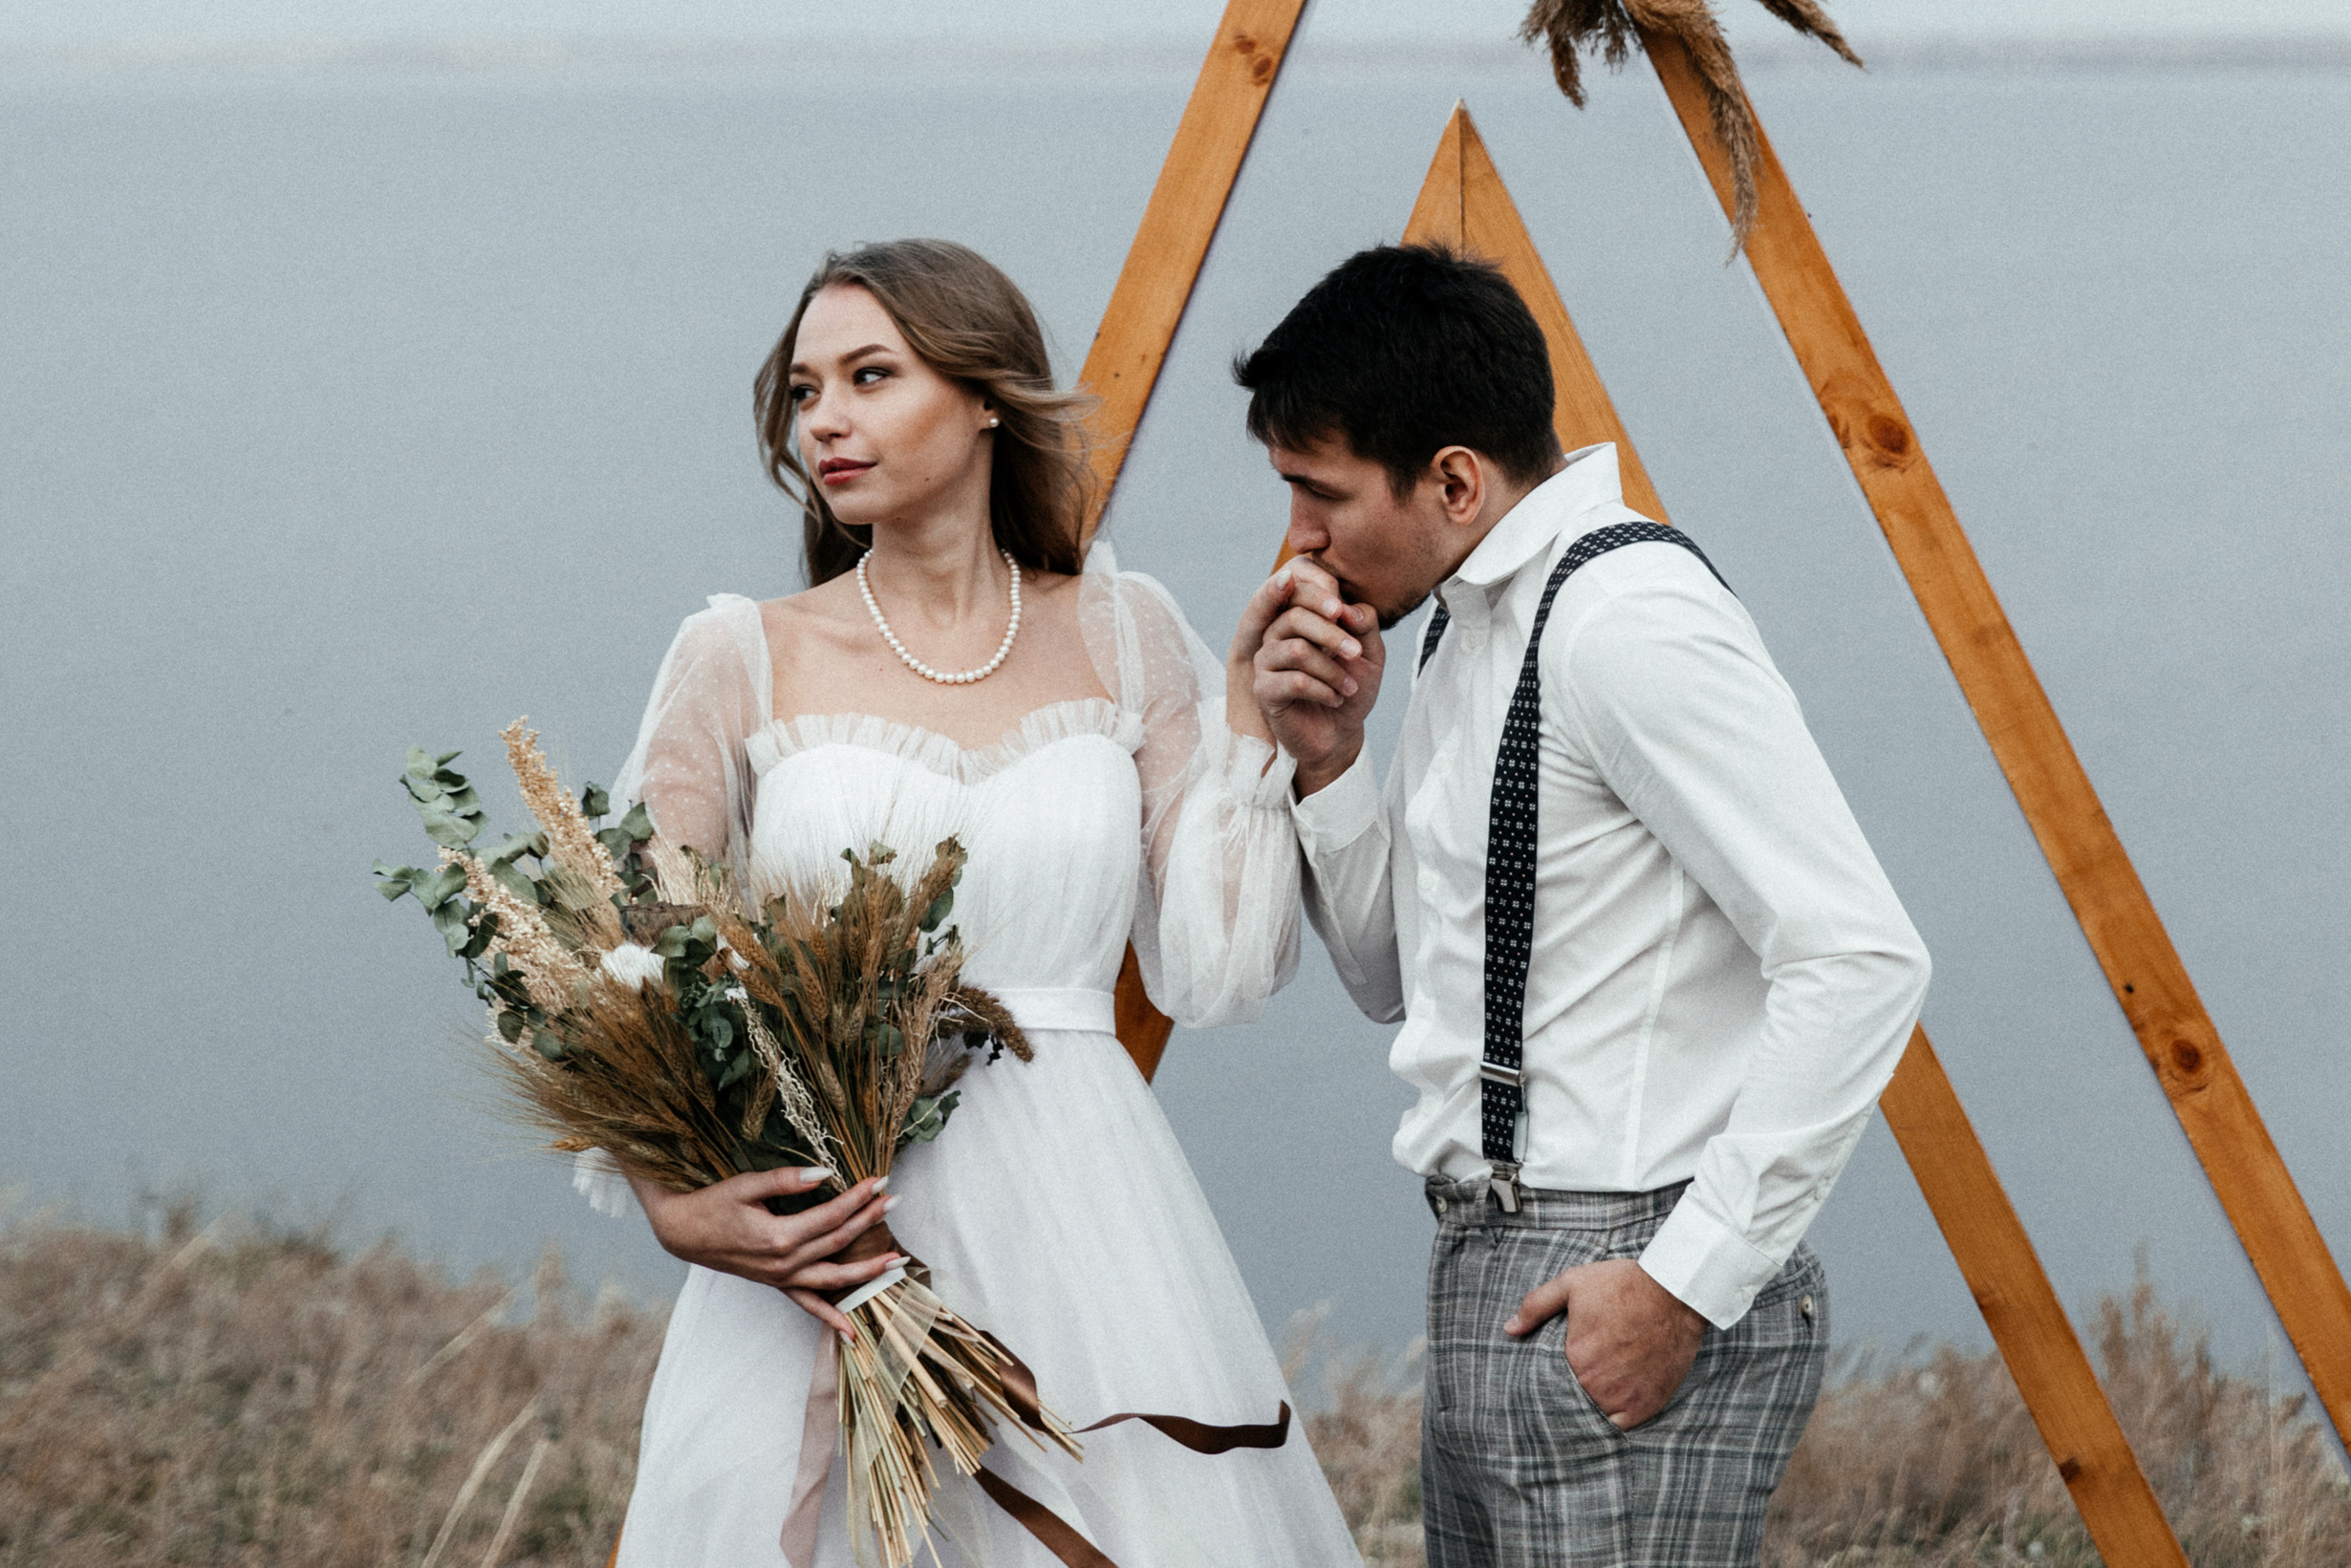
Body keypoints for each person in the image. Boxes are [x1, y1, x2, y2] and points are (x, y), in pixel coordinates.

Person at [591, 235, 1362, 1568]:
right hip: (832, 1239)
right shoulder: (739, 655)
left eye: (870, 377)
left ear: (988, 395)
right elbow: (623, 970)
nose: (825, 421)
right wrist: (672, 1203)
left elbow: (1217, 972)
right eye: (805, 392)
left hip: (1088, 1226)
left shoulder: (1127, 631)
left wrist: (1248, 723)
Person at [1235, 243, 1931, 1568]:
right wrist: (1328, 759)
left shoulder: (1627, 620)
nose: (1300, 539)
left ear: (1455, 482)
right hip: (1488, 1261)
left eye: (1320, 493)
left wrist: (1683, 1284)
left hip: (1624, 1255)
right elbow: (1398, 981)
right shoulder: (1465, 624)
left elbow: (1860, 957)